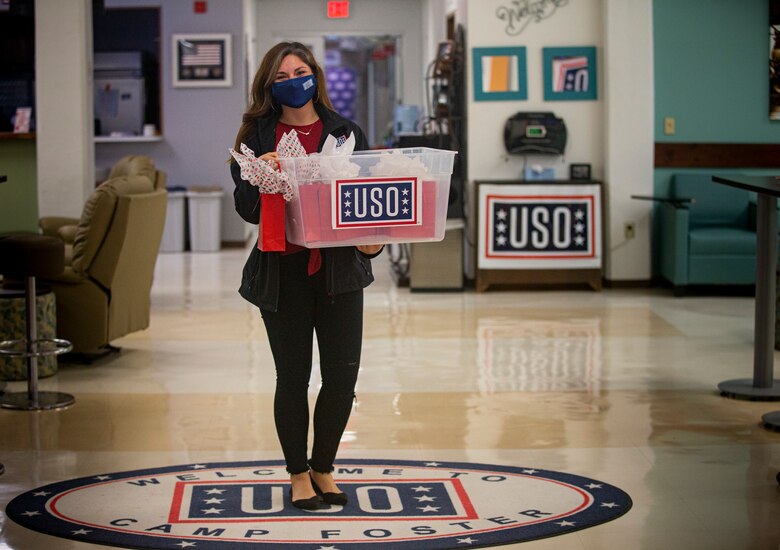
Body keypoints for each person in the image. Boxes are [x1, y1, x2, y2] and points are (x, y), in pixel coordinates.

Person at [230, 42, 383, 510]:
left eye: (300, 71)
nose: (293, 81)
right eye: (281, 76)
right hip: (283, 274)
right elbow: (246, 208)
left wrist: (373, 242)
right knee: (292, 377)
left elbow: (366, 203)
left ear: (315, 76)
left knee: (342, 379)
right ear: (269, 87)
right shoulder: (257, 135)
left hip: (340, 272)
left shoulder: (344, 131)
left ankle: (324, 467)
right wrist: (260, 176)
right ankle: (298, 472)